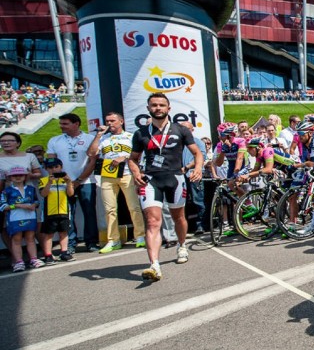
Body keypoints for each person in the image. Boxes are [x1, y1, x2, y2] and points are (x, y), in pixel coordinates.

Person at [128, 93, 204, 282]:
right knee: (153, 221)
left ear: (169, 108)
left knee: (179, 217)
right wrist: (136, 173)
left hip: (176, 178)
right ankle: (154, 264)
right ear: (148, 109)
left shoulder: (181, 130)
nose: (158, 108)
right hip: (151, 179)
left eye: (162, 105)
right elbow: (133, 159)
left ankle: (182, 244)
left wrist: (198, 168)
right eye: (154, 105)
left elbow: (197, 153)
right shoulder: (141, 133)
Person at [87, 112, 146, 252]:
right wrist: (98, 135)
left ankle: (140, 236)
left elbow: (140, 154)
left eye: (113, 121)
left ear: (121, 121)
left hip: (127, 174)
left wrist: (124, 157)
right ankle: (113, 240)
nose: (109, 124)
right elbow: (91, 153)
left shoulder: (131, 137)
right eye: (107, 121)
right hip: (107, 175)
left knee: (134, 207)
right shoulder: (103, 139)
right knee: (110, 210)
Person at [47, 113, 99, 252]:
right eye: (61, 123)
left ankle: (91, 242)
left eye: (65, 123)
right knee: (67, 214)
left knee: (89, 212)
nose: (61, 126)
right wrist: (66, 180)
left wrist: (79, 179)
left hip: (86, 181)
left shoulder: (89, 139)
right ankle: (70, 243)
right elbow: (51, 163)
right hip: (64, 183)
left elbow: (92, 161)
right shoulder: (54, 140)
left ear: (76, 124)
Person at [0, 131, 42, 250]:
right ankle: (15, 258)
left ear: (18, 143)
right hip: (7, 194)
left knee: (36, 222)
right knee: (7, 226)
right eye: (3, 141)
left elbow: (38, 173)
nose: (6, 143)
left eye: (10, 140)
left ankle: (46, 253)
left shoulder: (29, 156)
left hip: (28, 192)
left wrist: (29, 175)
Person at [1, 166, 42, 271]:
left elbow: (36, 201)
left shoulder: (31, 189)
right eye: (14, 175)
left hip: (30, 217)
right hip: (15, 218)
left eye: (20, 175)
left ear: (25, 176)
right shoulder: (6, 191)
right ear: (10, 177)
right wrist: (19, 206)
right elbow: (3, 206)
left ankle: (34, 259)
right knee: (16, 239)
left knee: (30, 238)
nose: (18, 177)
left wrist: (34, 205)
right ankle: (19, 262)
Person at [39, 157, 75, 264]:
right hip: (49, 212)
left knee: (63, 232)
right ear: (45, 168)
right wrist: (49, 182)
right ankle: (48, 255)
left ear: (61, 167)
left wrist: (68, 182)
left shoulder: (66, 179)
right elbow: (43, 194)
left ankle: (64, 252)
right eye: (50, 167)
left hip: (64, 211)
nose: (54, 169)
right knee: (48, 234)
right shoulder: (43, 180)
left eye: (56, 167)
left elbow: (70, 194)